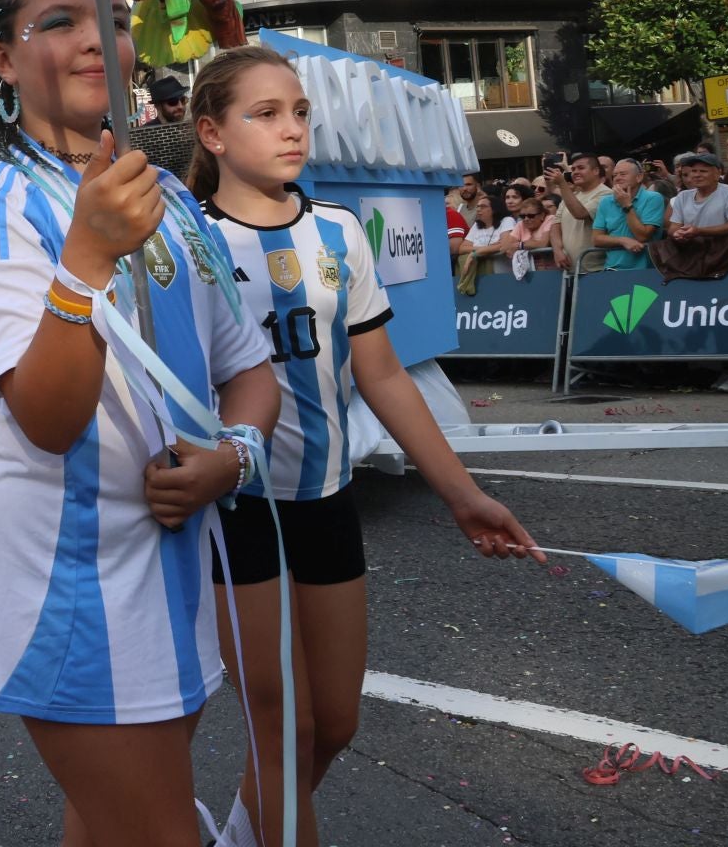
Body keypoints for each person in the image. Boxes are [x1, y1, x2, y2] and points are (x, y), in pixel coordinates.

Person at [0, 0, 277, 847]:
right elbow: (46, 420)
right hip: (65, 580)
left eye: (113, 22)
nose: (98, 42)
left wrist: (230, 461)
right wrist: (85, 256)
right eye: (60, 23)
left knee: (107, 823)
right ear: (1, 60)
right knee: (160, 833)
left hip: (175, 564)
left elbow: (247, 368)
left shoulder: (172, 195)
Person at [190, 44, 541, 846]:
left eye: (302, 113)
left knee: (336, 725)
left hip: (326, 499)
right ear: (212, 133)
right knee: (285, 730)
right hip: (239, 509)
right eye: (267, 114)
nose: (294, 131)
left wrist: (462, 494)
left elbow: (383, 376)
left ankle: (245, 834)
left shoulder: (342, 233)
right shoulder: (188, 240)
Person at [650, 151, 728, 280]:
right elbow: (673, 227)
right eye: (694, 171)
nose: (697, 175)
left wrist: (699, 231)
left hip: (725, 255)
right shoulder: (682, 196)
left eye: (703, 171)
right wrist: (678, 234)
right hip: (692, 254)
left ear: (717, 173)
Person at [590, 159, 665, 271]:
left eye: (623, 174)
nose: (618, 178)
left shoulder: (653, 198)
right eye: (615, 175)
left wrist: (627, 206)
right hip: (612, 269)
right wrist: (622, 240)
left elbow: (643, 236)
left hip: (646, 270)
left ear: (639, 177)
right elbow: (596, 239)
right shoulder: (605, 201)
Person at [544, 152, 611, 273]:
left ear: (596, 171)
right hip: (568, 271)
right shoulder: (571, 195)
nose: (575, 172)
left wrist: (562, 183)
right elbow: (555, 225)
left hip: (595, 271)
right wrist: (558, 250)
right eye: (573, 169)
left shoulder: (606, 194)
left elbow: (580, 213)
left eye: (581, 168)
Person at [458, 192, 515, 276]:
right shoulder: (476, 225)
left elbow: (504, 245)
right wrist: (488, 248)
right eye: (477, 206)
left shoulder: (507, 220)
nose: (478, 209)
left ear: (495, 209)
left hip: (502, 273)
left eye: (483, 206)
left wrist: (475, 253)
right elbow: (462, 249)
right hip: (481, 275)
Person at [508, 195, 562, 268]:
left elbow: (543, 244)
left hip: (551, 269)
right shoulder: (521, 224)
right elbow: (509, 246)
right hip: (529, 271)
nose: (526, 219)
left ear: (542, 215)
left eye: (531, 216)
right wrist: (531, 244)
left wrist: (520, 245)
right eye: (523, 216)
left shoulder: (550, 219)